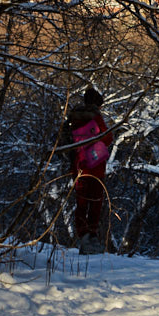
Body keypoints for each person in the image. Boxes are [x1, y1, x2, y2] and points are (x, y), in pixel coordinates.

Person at [63, 85, 113, 254]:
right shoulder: (96, 117)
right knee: (95, 203)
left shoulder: (72, 118)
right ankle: (91, 237)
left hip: (78, 166)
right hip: (96, 166)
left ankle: (83, 236)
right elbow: (107, 138)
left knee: (81, 203)